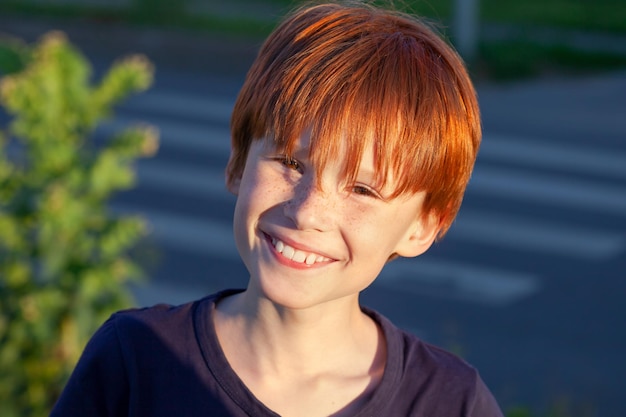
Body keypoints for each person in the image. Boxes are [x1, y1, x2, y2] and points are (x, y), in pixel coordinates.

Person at [51, 2, 504, 416]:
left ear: (423, 227)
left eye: (363, 190)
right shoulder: (136, 360)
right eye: (289, 162)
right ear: (238, 161)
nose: (307, 212)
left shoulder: (451, 402)